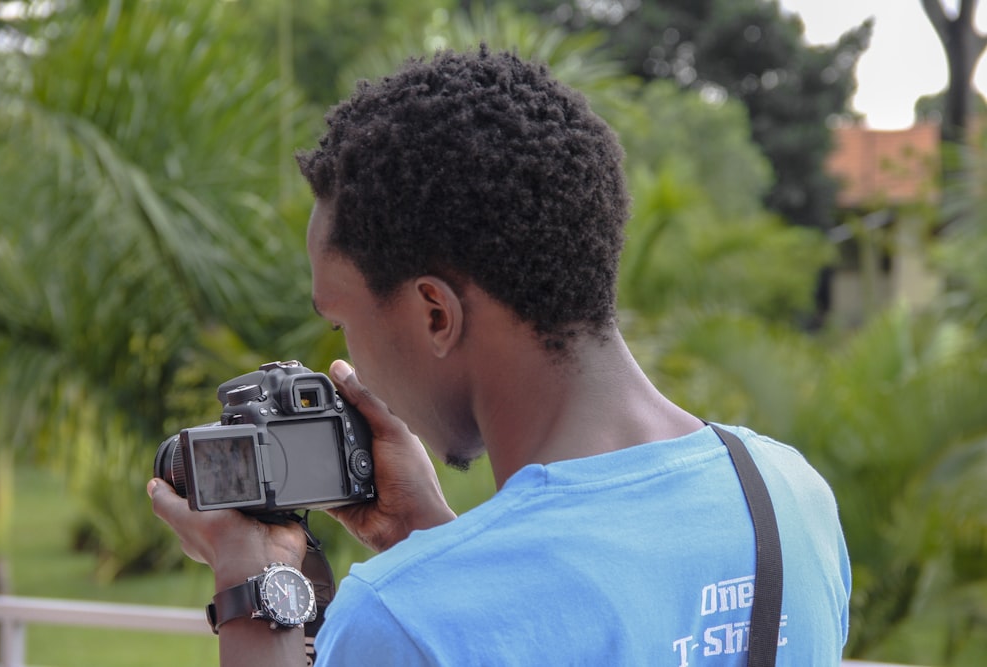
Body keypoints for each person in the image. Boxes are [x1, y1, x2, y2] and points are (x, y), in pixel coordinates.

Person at [149, 45, 851, 666]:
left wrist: (251, 587)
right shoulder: (794, 498)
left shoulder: (404, 622)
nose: (351, 360)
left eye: (342, 324)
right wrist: (432, 542)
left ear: (435, 313)